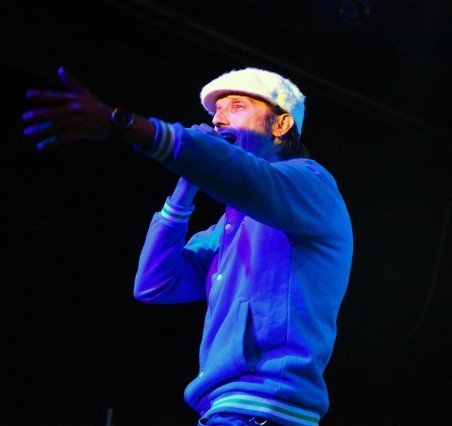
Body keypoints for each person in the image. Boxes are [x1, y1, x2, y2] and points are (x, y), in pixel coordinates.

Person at [23, 66, 353, 426]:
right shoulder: (227, 227)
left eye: (237, 107)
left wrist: (126, 125)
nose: (218, 120)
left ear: (281, 125)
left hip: (264, 408)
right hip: (224, 409)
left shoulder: (311, 183)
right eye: (217, 111)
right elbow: (155, 284)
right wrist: (186, 186)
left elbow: (246, 176)